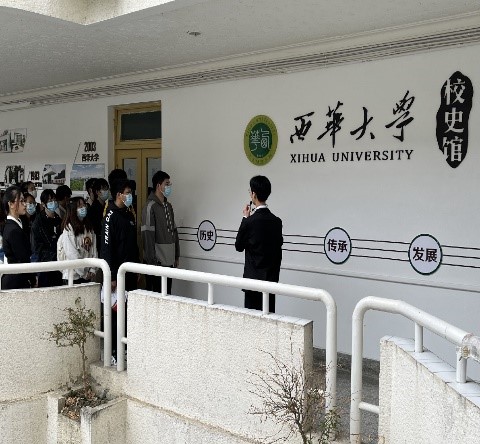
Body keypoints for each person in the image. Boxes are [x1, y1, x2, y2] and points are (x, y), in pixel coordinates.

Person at [100, 178, 139, 364]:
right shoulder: (110, 216)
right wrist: (112, 276)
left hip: (130, 272)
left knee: (128, 313)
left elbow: (133, 244)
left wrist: (137, 268)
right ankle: (114, 351)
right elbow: (106, 248)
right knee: (116, 314)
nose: (130, 196)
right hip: (117, 275)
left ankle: (125, 348)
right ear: (118, 195)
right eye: (127, 193)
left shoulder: (129, 214)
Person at [235, 176, 283, 313]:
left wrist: (245, 218)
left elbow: (238, 246)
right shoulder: (277, 221)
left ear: (254, 194)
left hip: (252, 283)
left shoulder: (249, 222)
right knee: (269, 318)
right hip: (270, 283)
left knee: (252, 321)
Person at [141, 170, 180, 294]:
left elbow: (174, 231)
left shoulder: (168, 206)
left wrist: (176, 255)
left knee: (167, 294)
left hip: (169, 260)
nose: (169, 187)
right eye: (167, 184)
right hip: (156, 263)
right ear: (159, 186)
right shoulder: (150, 207)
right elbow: (147, 235)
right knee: (156, 295)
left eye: (169, 184)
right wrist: (152, 262)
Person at [1, 186, 35, 289]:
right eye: (21, 201)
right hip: (16, 281)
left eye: (24, 201)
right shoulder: (13, 229)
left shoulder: (16, 224)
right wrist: (32, 278)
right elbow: (22, 258)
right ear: (11, 204)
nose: (25, 204)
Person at [58, 197, 97, 284]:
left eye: (84, 205)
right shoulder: (69, 229)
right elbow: (72, 254)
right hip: (73, 275)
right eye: (80, 206)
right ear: (73, 209)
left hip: (88, 274)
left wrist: (93, 269)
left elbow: (94, 250)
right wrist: (83, 273)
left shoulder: (88, 227)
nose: (83, 208)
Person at [31, 189, 63, 287]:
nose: (53, 203)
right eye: (50, 201)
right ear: (43, 204)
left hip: (59, 262)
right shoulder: (38, 222)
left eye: (54, 200)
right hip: (45, 264)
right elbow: (37, 247)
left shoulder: (58, 219)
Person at [87, 178, 109, 248]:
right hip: (97, 244)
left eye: (107, 189)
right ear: (97, 192)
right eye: (104, 189)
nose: (106, 191)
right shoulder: (92, 210)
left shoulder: (107, 207)